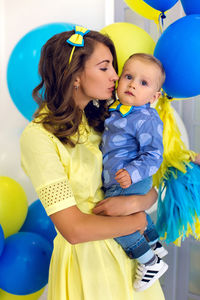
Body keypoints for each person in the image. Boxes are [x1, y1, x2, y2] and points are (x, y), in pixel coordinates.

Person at [20, 26, 165, 300]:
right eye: (105, 67)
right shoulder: (38, 137)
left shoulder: (108, 122)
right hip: (88, 263)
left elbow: (149, 190)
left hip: (130, 259)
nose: (116, 76)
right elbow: (73, 229)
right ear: (75, 74)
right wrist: (137, 221)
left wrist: (133, 204)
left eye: (114, 67)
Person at [100, 53, 168, 292]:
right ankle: (155, 243)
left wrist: (131, 173)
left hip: (130, 180)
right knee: (134, 213)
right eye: (128, 76)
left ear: (154, 96)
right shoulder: (117, 109)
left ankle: (149, 262)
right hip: (120, 180)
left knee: (117, 223)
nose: (132, 84)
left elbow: (154, 156)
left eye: (143, 83)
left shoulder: (146, 118)